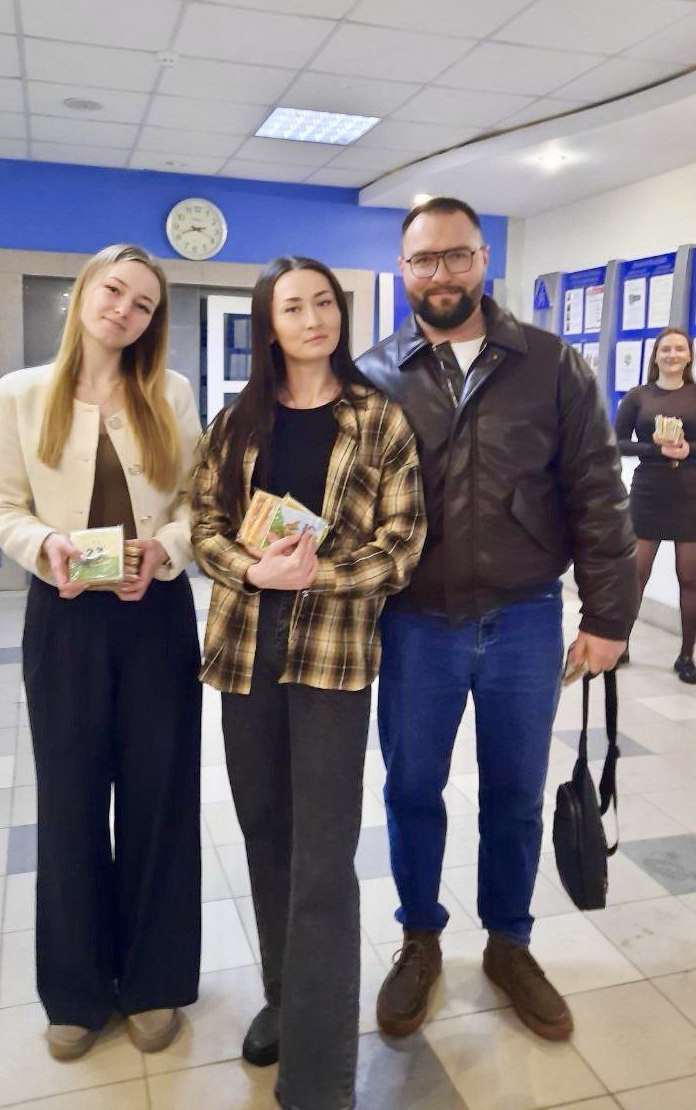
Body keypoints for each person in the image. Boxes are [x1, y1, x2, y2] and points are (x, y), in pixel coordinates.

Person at [358, 197, 637, 1043]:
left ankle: (509, 943)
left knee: (515, 795)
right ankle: (420, 937)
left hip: (524, 618)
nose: (440, 274)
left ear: (484, 259)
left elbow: (597, 490)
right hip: (415, 622)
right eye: (423, 260)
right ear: (403, 270)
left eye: (456, 256)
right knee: (412, 790)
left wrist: (609, 615)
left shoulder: (550, 364)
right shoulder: (374, 374)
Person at [191, 256, 425, 1110]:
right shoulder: (236, 421)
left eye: (324, 302)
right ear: (269, 323)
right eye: (293, 307)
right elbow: (203, 524)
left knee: (323, 858)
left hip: (332, 653)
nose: (313, 318)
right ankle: (286, 998)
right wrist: (253, 571)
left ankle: (320, 1079)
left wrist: (316, 574)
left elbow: (402, 544)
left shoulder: (379, 419)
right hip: (245, 646)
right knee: (265, 832)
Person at [0, 244, 202, 1061]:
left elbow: (199, 503)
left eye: (143, 304)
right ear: (83, 292)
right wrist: (45, 546)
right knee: (70, 801)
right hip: (65, 617)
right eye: (114, 291)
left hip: (156, 617)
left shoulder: (170, 393)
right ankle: (75, 991)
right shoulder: (20, 393)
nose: (124, 311)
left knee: (159, 797)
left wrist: (165, 549)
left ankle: (154, 982)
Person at [614, 327, 696, 684]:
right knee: (636, 573)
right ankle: (620, 645)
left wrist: (689, 449)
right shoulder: (638, 396)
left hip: (690, 491)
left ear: (689, 356)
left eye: (680, 349)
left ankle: (687, 656)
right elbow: (617, 442)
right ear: (656, 355)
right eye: (666, 349)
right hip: (649, 490)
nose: (673, 355)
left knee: (689, 576)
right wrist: (655, 449)